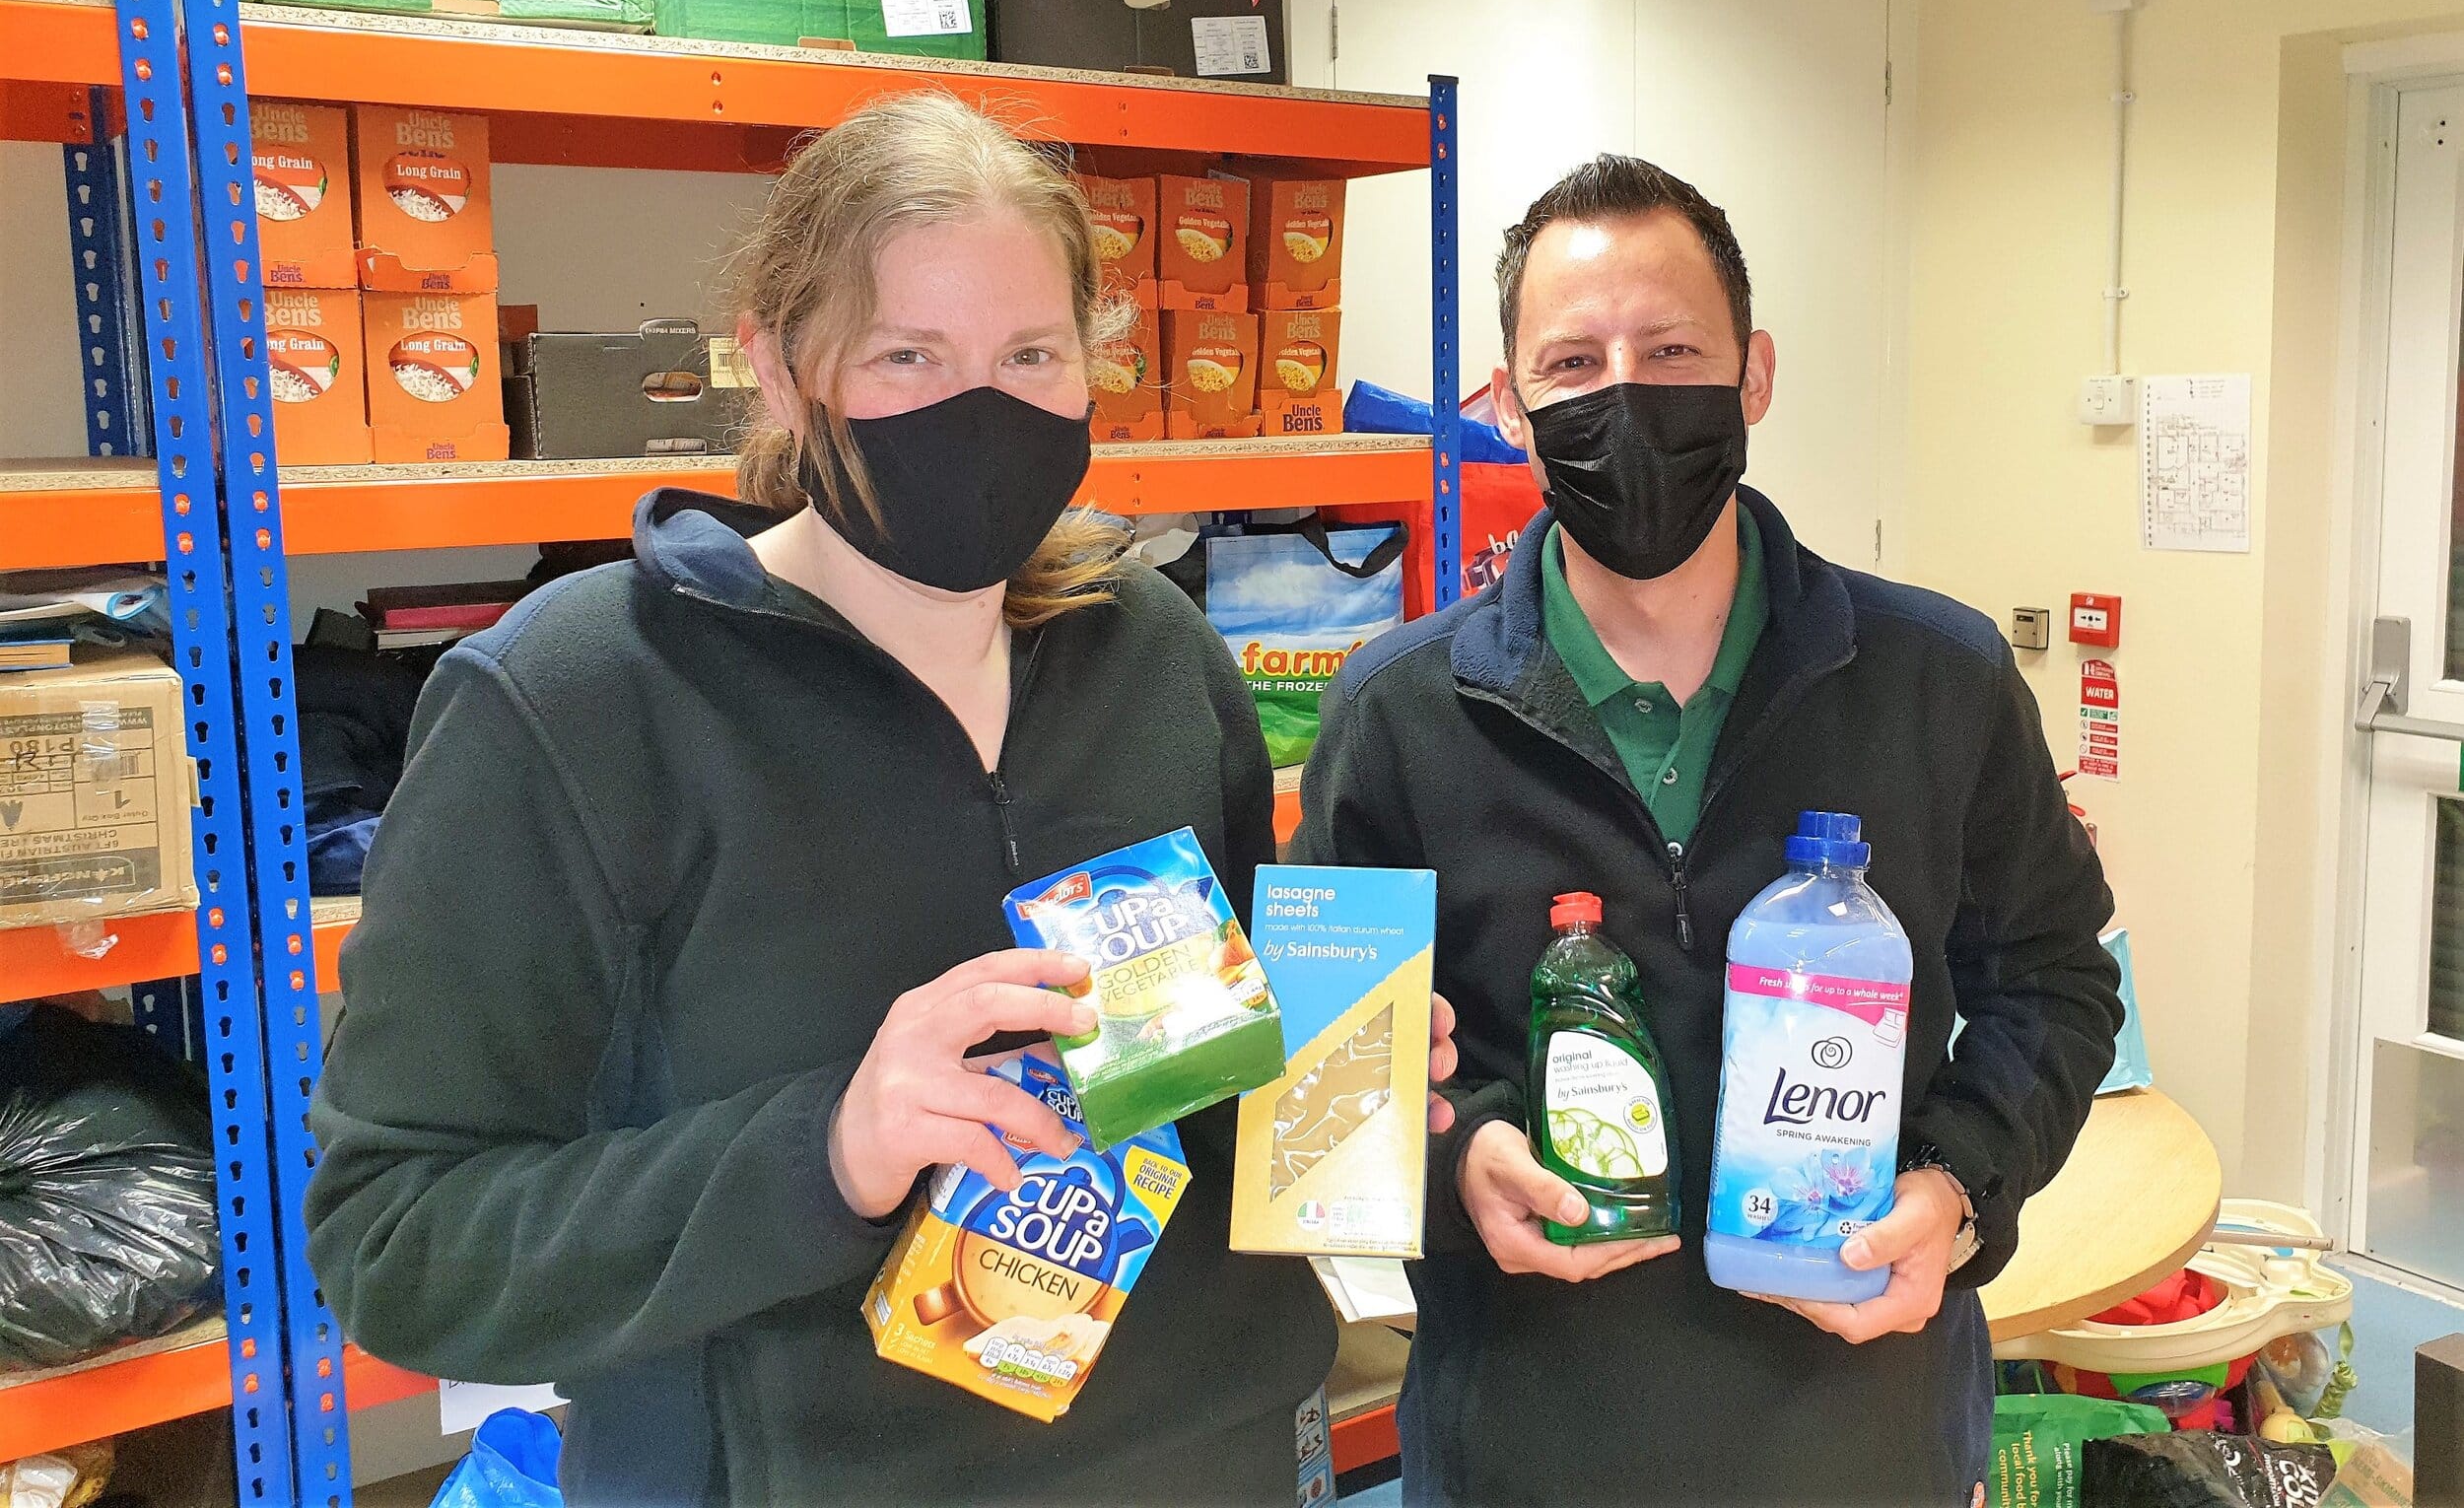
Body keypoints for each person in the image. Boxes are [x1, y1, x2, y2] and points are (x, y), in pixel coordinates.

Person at [303, 93, 1341, 1504]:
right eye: (910, 356)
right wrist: (827, 1149)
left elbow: (1214, 1090)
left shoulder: (1153, 652)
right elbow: (399, 1246)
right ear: (783, 367)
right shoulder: (574, 701)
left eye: (1031, 354)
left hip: (1205, 1460)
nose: (983, 410)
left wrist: (1350, 1069)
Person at [1294, 155, 2123, 1505]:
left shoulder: (1939, 678)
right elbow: (1332, 1077)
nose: (1625, 394)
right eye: (1572, 362)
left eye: (1673, 349)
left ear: (1756, 376)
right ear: (1505, 407)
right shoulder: (1395, 720)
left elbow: (2056, 981)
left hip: (1864, 1430)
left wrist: (1963, 1192)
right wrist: (1461, 1160)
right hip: (1528, 1442)